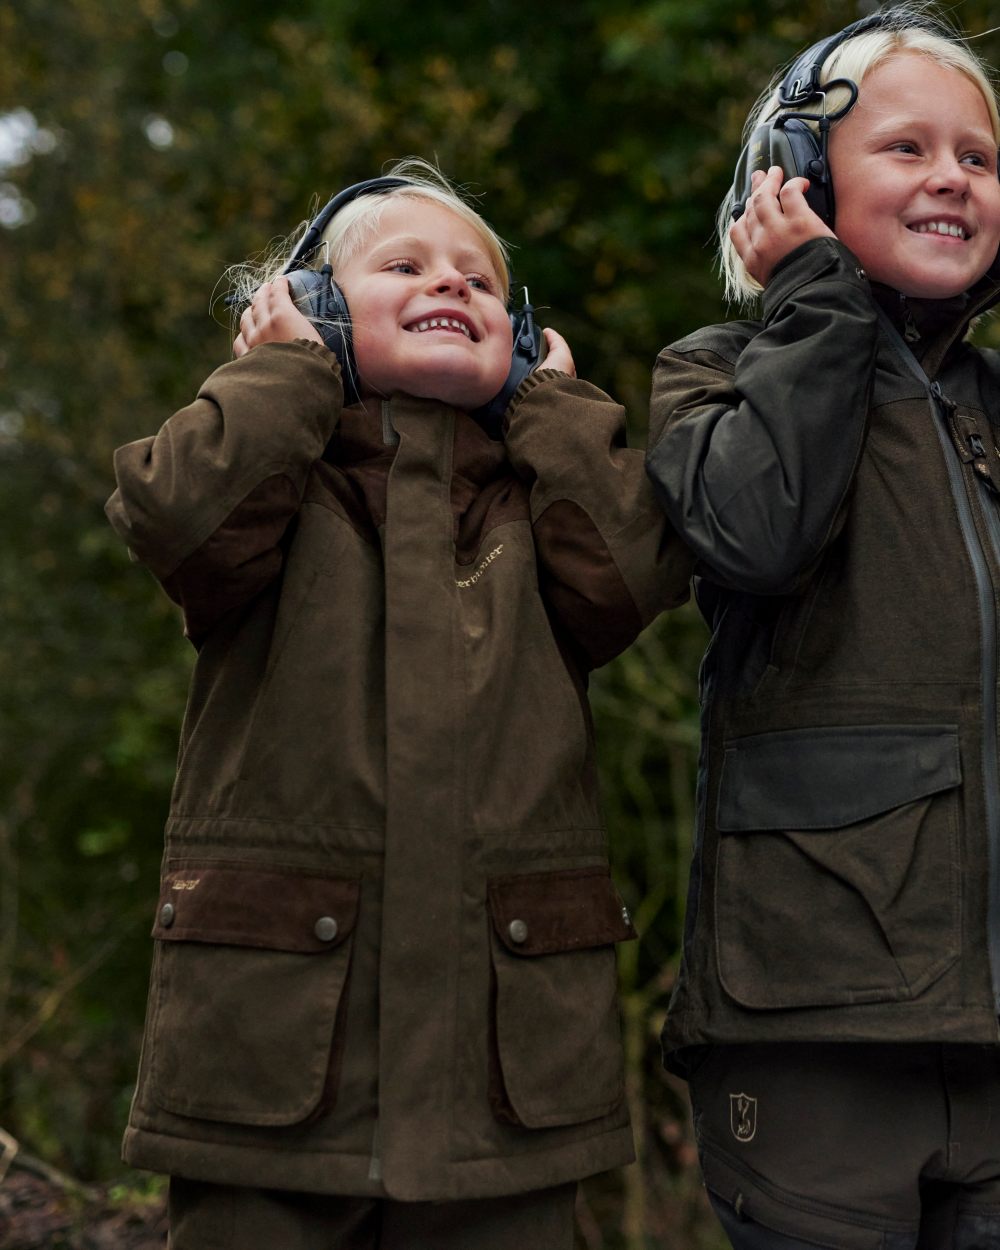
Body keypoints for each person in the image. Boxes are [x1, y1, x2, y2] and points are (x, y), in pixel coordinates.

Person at [106, 159, 691, 1249]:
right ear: (315, 306)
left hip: (501, 1092)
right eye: (405, 265)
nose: (452, 286)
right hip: (274, 1074)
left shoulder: (534, 493)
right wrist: (286, 374)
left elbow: (629, 571)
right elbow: (175, 513)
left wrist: (553, 409)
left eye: (480, 280)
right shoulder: (279, 478)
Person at [644, 7, 1000, 1248]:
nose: (951, 176)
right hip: (816, 1016)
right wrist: (814, 306)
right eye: (906, 149)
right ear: (791, 179)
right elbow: (755, 532)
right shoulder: (715, 371)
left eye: (978, 156)